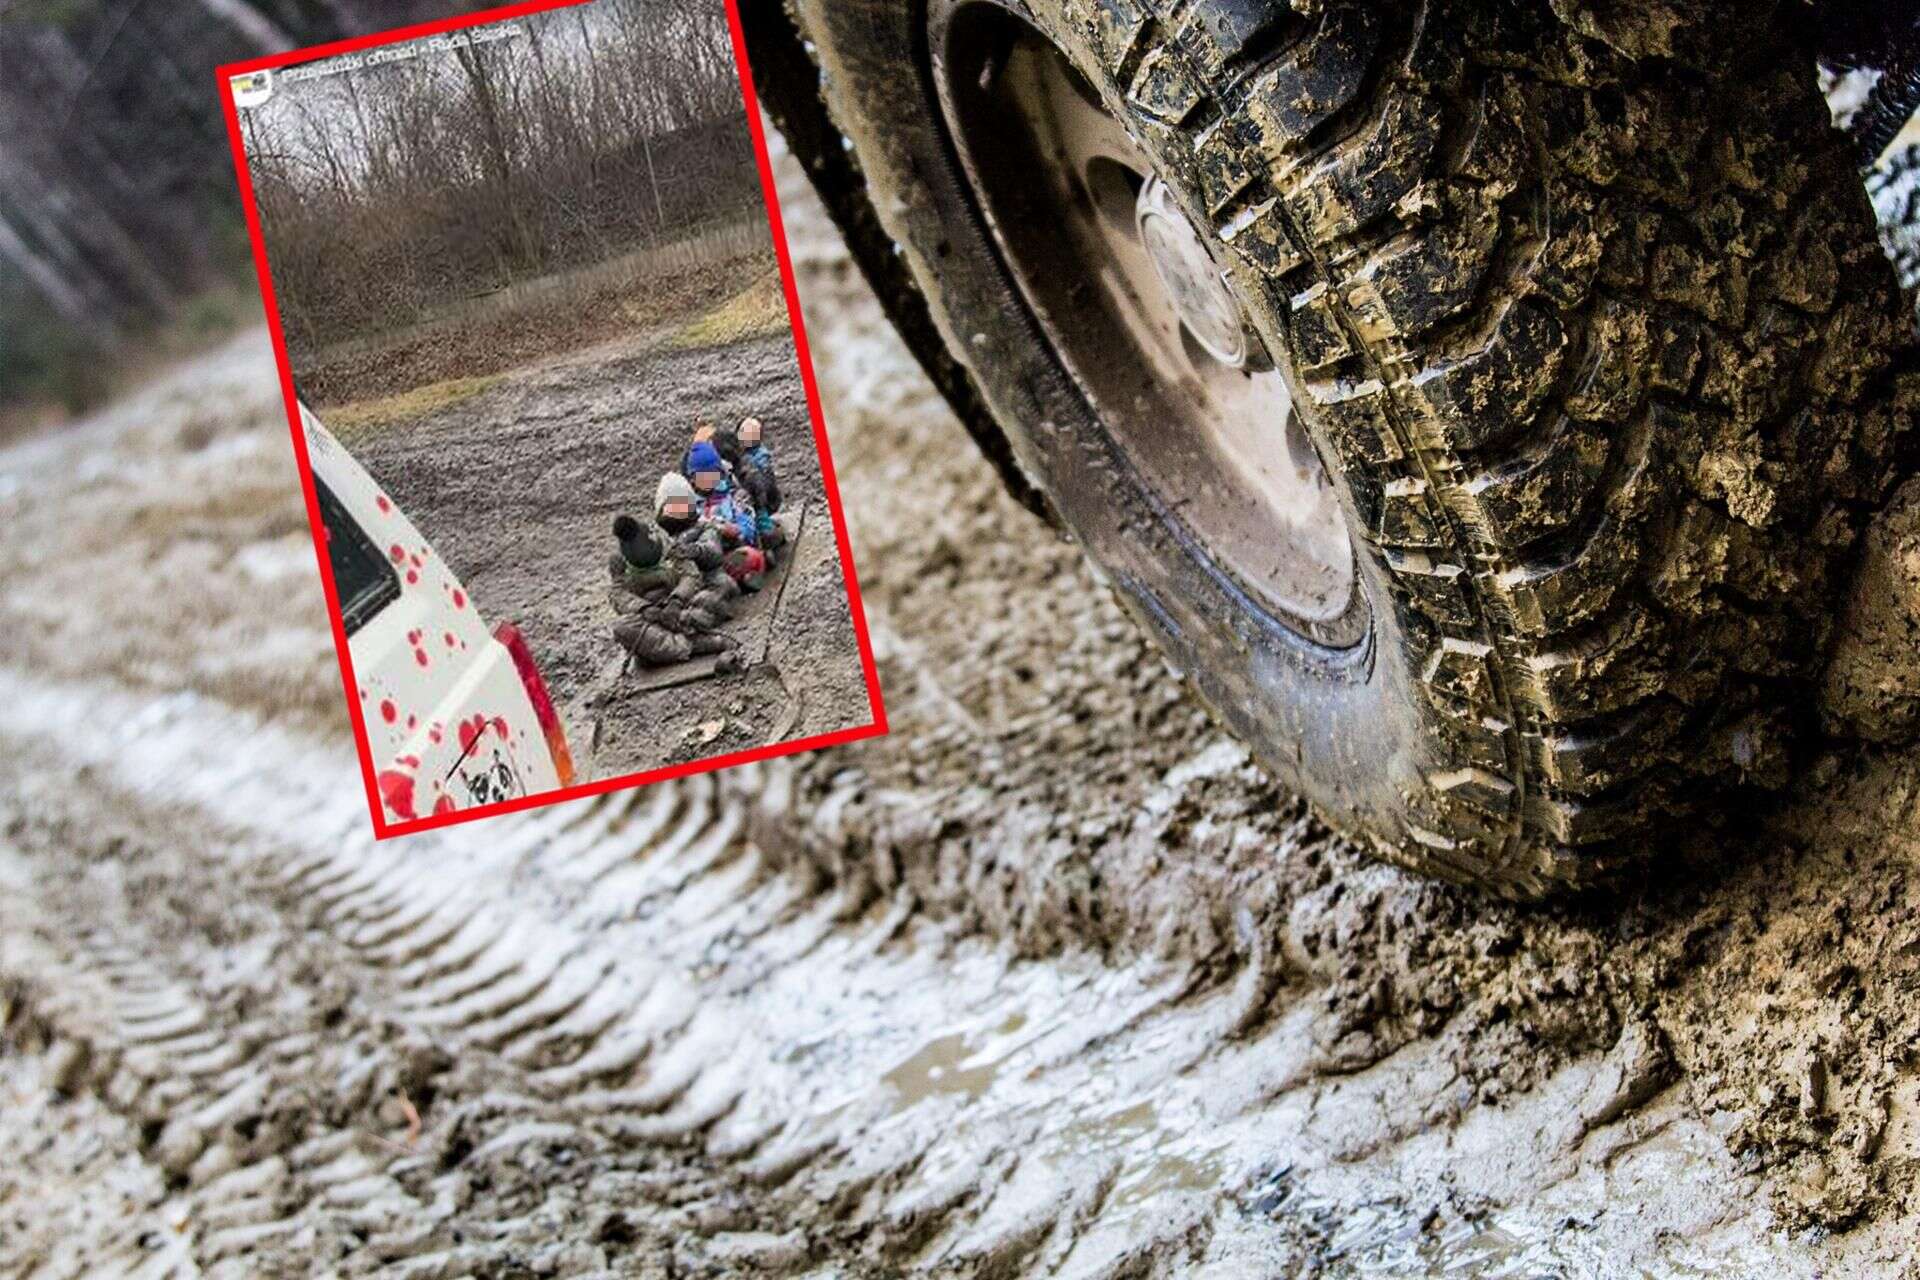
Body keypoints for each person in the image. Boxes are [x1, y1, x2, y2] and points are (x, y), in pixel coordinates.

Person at [606, 513, 735, 668]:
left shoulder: (666, 542)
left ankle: (661, 649)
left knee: (714, 595)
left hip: (682, 607)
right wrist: (643, 608)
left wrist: (676, 600)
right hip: (650, 618)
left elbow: (690, 574)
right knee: (622, 627)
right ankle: (696, 645)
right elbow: (617, 592)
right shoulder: (618, 560)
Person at [719, 417, 784, 553]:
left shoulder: (759, 460)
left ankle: (770, 542)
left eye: (752, 433)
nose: (748, 436)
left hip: (761, 502)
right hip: (743, 501)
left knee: (765, 532)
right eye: (744, 432)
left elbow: (762, 490)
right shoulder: (735, 456)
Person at [685, 440, 760, 549]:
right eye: (702, 475)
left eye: (712, 474)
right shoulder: (688, 501)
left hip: (734, 546)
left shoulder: (733, 494)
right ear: (693, 478)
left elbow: (748, 523)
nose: (708, 479)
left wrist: (737, 530)